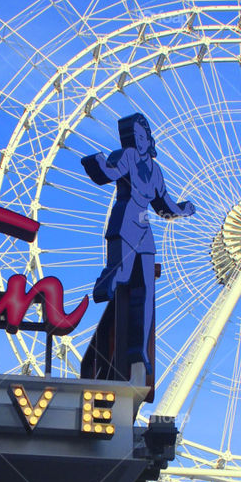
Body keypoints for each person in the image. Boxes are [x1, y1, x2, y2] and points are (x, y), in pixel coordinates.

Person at [81, 113, 195, 369]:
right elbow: (110, 173)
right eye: (133, 137)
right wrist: (96, 163)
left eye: (141, 136)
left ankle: (139, 349)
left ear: (148, 137)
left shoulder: (156, 171)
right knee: (121, 273)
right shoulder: (127, 156)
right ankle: (107, 281)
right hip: (124, 220)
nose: (138, 141)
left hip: (144, 228)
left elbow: (164, 205)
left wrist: (183, 210)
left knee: (146, 289)